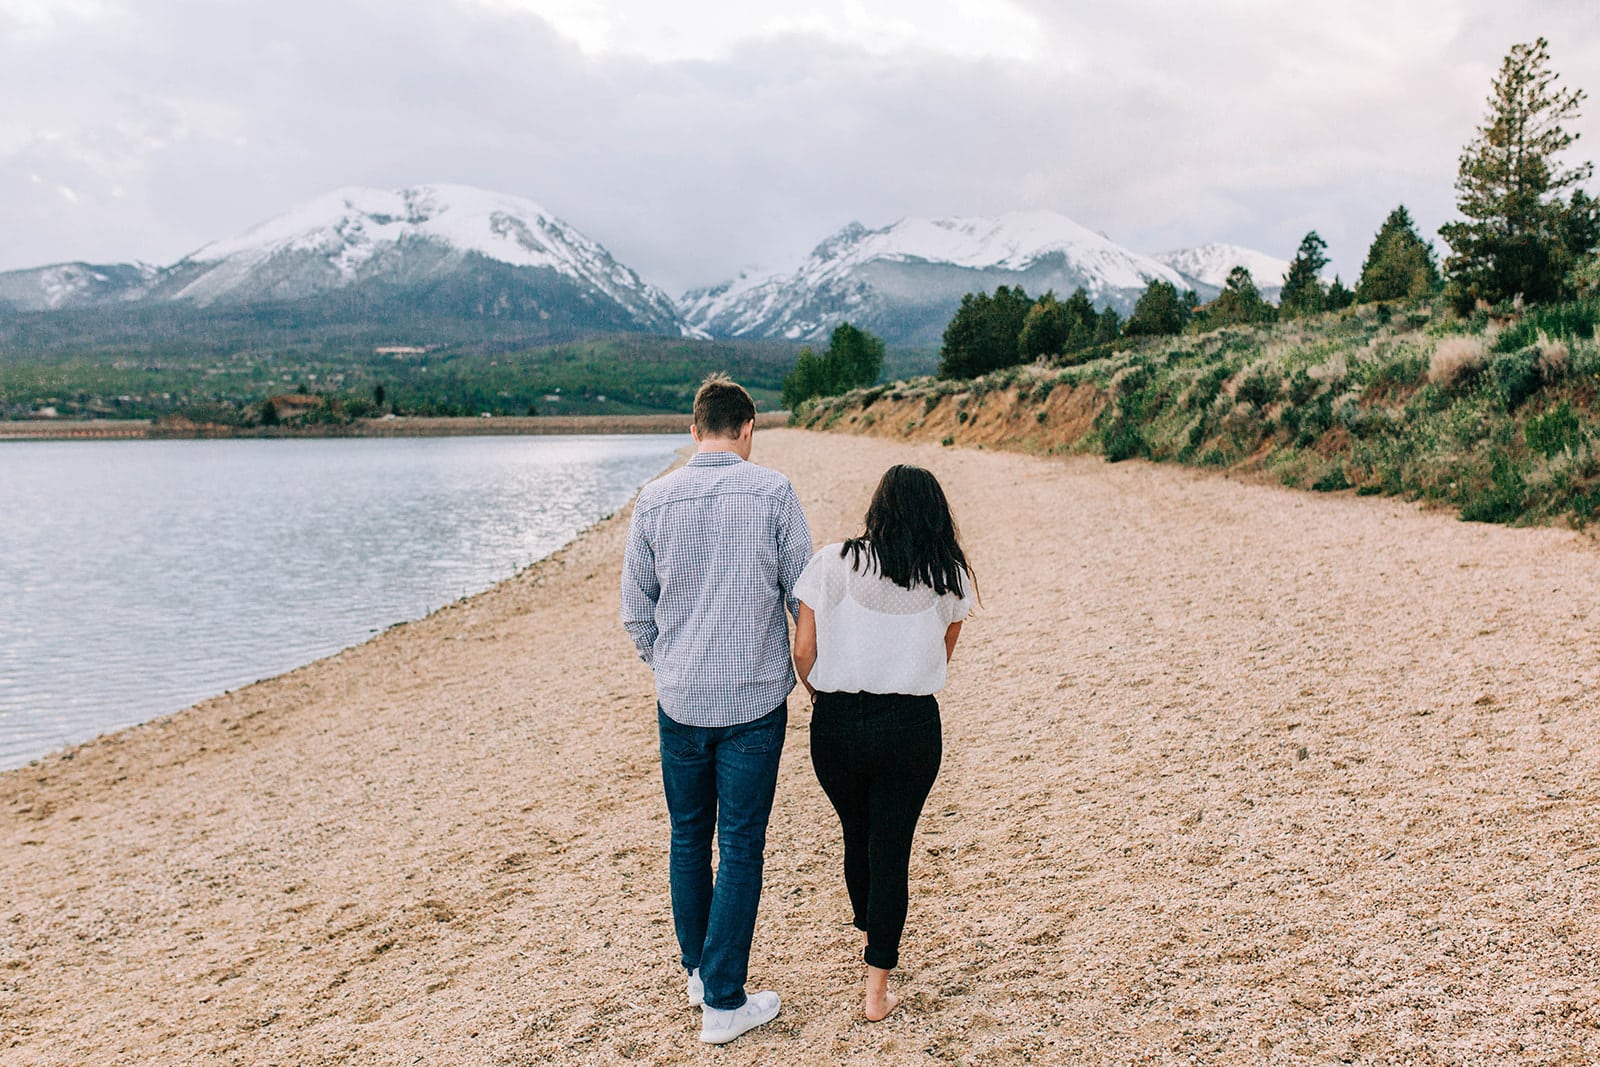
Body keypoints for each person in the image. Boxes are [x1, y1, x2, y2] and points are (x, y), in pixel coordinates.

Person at [619, 374, 812, 1045]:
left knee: (687, 836)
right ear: (747, 429)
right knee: (739, 845)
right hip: (755, 701)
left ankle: (701, 973)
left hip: (681, 700)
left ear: (694, 428)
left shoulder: (653, 499)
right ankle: (724, 1001)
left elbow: (635, 614)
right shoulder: (775, 492)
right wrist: (814, 672)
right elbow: (803, 599)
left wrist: (672, 667)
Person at [791, 464, 974, 1022]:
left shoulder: (831, 561)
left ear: (879, 508)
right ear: (935, 516)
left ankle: (875, 928)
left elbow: (803, 650)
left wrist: (819, 694)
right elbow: (942, 653)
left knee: (858, 832)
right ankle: (877, 986)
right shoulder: (948, 575)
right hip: (911, 724)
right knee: (891, 845)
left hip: (839, 722)